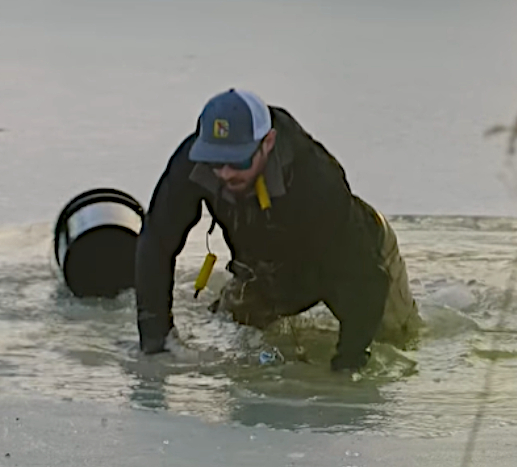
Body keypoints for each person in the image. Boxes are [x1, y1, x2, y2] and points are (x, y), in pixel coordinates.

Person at [135, 88, 420, 371]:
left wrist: (348, 366)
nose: (225, 173)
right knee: (236, 325)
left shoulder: (315, 180)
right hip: (266, 264)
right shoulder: (193, 164)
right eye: (214, 161)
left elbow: (365, 280)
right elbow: (156, 241)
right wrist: (156, 339)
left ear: (268, 142)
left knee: (394, 344)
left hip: (357, 255)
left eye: (239, 160)